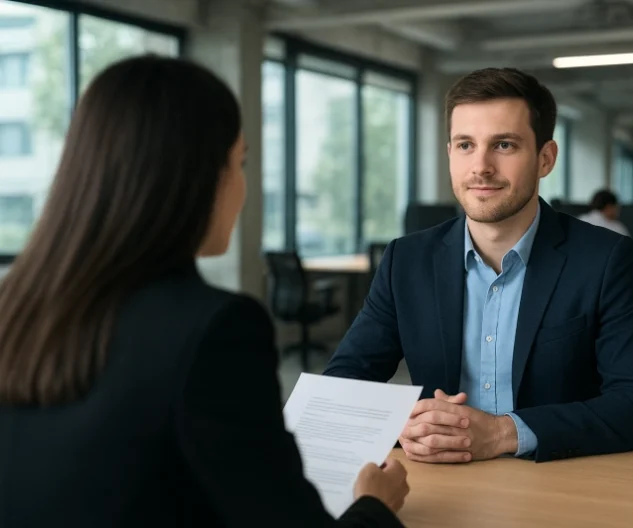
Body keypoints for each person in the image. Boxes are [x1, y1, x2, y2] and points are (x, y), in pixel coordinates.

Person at [0, 56, 408, 527]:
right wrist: (375, 505)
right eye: (241, 162)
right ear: (197, 177)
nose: (243, 186)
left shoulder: (20, 308)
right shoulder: (213, 329)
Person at [324, 67, 633, 464]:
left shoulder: (605, 259)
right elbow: (342, 384)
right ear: (450, 154)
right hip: (444, 482)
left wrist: (503, 433)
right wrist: (404, 424)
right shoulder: (407, 260)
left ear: (545, 158)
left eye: (504, 145)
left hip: (559, 483)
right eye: (465, 145)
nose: (481, 166)